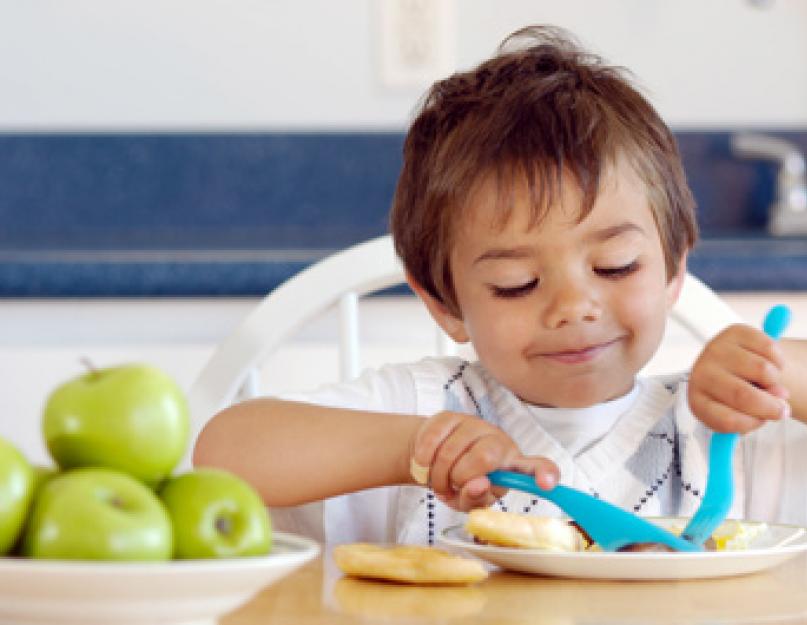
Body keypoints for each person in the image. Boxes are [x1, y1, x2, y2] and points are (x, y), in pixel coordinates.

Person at [193, 25, 807, 545]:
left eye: (616, 265)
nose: (573, 307)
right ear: (444, 303)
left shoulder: (725, 433)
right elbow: (225, 451)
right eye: (516, 283)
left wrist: (777, 372)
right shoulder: (428, 409)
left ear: (674, 269)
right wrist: (416, 448)